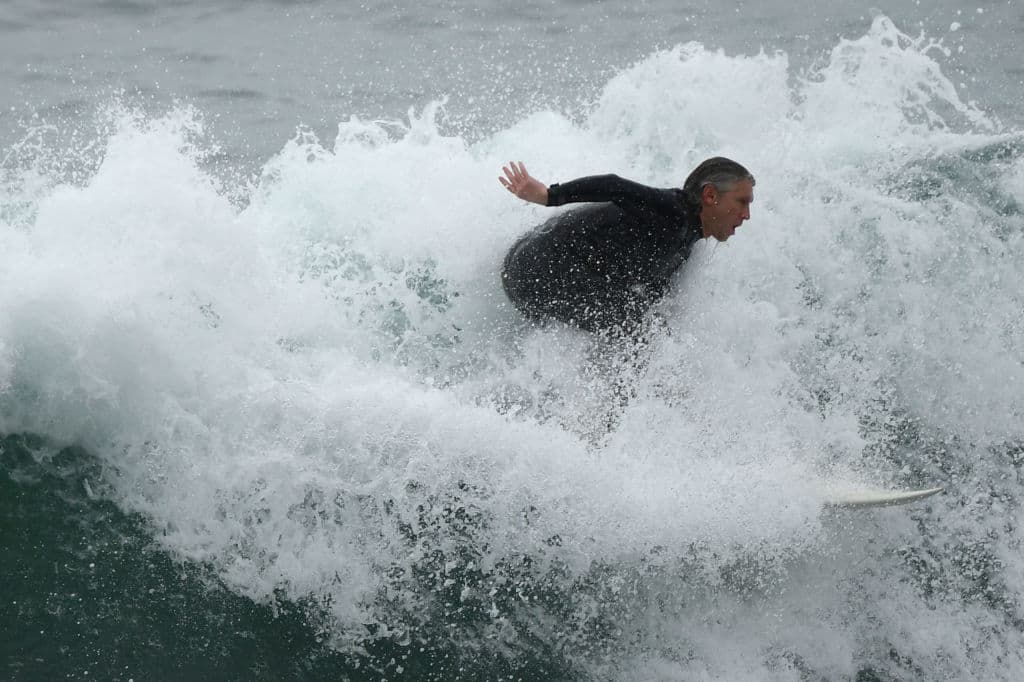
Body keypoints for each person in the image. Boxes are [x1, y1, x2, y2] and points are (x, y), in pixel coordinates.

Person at [498, 157, 755, 333]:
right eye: (742, 202)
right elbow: (614, 185)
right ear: (710, 195)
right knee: (636, 331)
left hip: (544, 271)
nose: (746, 216)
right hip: (535, 267)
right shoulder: (672, 211)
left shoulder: (688, 240)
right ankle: (621, 409)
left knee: (647, 328)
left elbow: (655, 294)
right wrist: (548, 196)